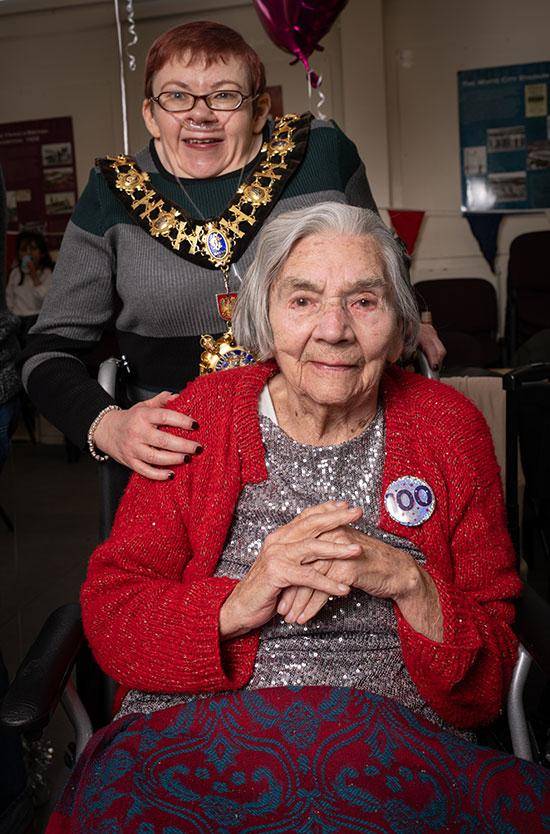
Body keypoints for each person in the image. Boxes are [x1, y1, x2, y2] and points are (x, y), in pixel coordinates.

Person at [46, 205, 548, 833]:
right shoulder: (201, 417)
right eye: (303, 300)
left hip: (397, 744)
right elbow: (115, 615)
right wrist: (242, 599)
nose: (333, 330)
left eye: (364, 302)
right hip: (200, 738)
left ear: (400, 322)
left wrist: (408, 581)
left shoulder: (448, 426)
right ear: (264, 314)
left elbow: (492, 663)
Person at [21, 20, 445, 486]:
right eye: (176, 97)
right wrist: (109, 425)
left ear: (260, 109)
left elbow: (379, 264)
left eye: (224, 96)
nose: (199, 115)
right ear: (149, 114)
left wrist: (415, 315)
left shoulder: (322, 154)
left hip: (336, 429)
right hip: (180, 455)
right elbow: (48, 353)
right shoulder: (110, 191)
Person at [6, 230, 54, 343]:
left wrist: (34, 277)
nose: (28, 253)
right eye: (23, 250)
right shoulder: (15, 273)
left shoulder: (47, 273)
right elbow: (9, 298)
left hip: (36, 318)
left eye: (32, 249)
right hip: (17, 318)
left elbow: (45, 301)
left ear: (41, 253)